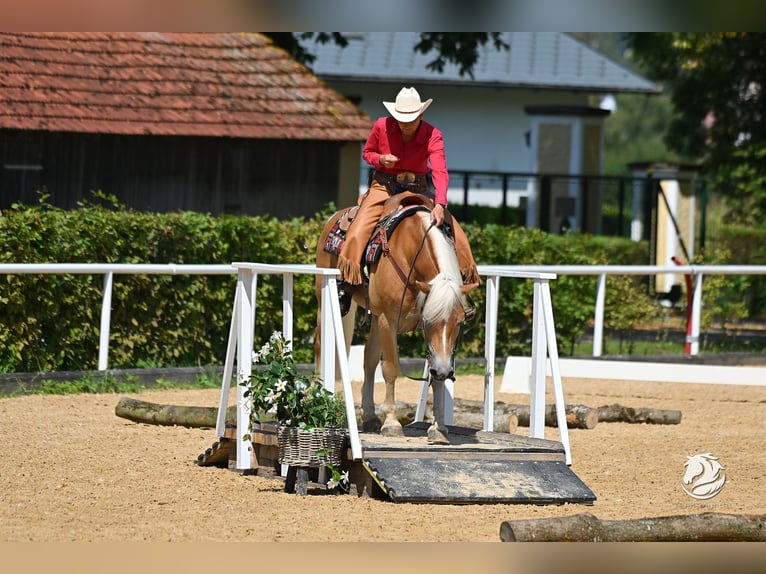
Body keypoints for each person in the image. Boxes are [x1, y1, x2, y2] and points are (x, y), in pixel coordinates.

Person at [337, 86, 480, 312]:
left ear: (421, 116)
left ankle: (460, 286)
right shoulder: (381, 126)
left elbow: (440, 170)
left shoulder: (433, 135)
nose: (405, 123)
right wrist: (380, 159)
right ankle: (347, 282)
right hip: (383, 185)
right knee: (359, 227)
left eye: (411, 119)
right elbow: (367, 153)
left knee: (456, 231)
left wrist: (441, 204)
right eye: (401, 118)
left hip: (418, 188)